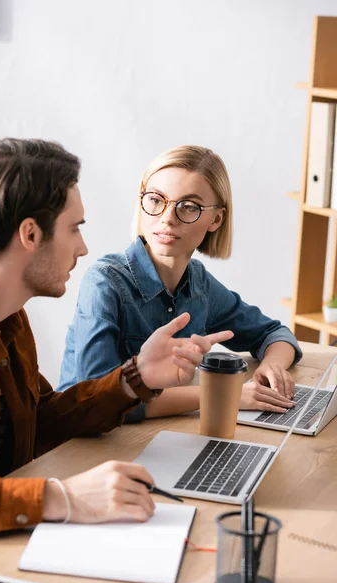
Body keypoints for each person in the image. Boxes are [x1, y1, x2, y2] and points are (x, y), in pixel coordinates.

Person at [0, 139, 234, 538]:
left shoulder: (6, 317)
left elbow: (41, 421)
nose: (83, 247)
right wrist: (61, 498)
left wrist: (136, 377)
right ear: (30, 234)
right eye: (74, 228)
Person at [59, 145, 302, 423]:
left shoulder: (199, 283)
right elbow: (100, 400)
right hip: (81, 446)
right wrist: (223, 396)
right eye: (156, 199)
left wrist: (273, 367)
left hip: (157, 435)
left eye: (189, 206)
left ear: (216, 219)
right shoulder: (104, 282)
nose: (167, 218)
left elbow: (275, 334)